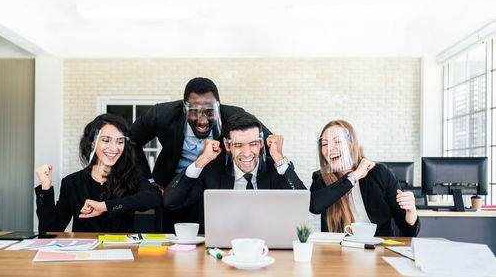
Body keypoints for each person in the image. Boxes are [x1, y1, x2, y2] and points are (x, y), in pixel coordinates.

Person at [130, 77, 271, 232]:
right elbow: (130, 140)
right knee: (172, 238)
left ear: (218, 107)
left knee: (214, 234)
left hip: (215, 185)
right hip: (174, 185)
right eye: (195, 112)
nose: (203, 121)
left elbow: (267, 143)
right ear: (184, 107)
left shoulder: (234, 115)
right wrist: (147, 181)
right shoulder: (161, 115)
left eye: (210, 112)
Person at [162, 112, 306, 233]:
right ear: (227, 145)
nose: (247, 153)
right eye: (238, 145)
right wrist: (201, 161)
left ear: (261, 143)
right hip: (224, 252)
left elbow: (302, 205)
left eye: (253, 143)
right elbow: (170, 201)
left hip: (270, 249)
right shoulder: (212, 172)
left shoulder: (278, 169)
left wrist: (279, 158)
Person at [34, 114, 161, 232]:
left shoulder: (132, 177)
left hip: (122, 252)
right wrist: (45, 188)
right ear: (92, 143)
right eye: (106, 140)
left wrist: (106, 206)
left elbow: (153, 197)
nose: (113, 148)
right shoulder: (71, 182)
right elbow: (51, 229)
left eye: (120, 142)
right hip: (84, 253)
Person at [310, 120, 420, 236]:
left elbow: (409, 231)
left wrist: (411, 210)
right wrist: (354, 176)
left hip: (377, 249)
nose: (331, 148)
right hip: (339, 250)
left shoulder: (379, 173)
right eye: (325, 144)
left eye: (338, 141)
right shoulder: (320, 178)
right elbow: (315, 206)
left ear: (352, 144)